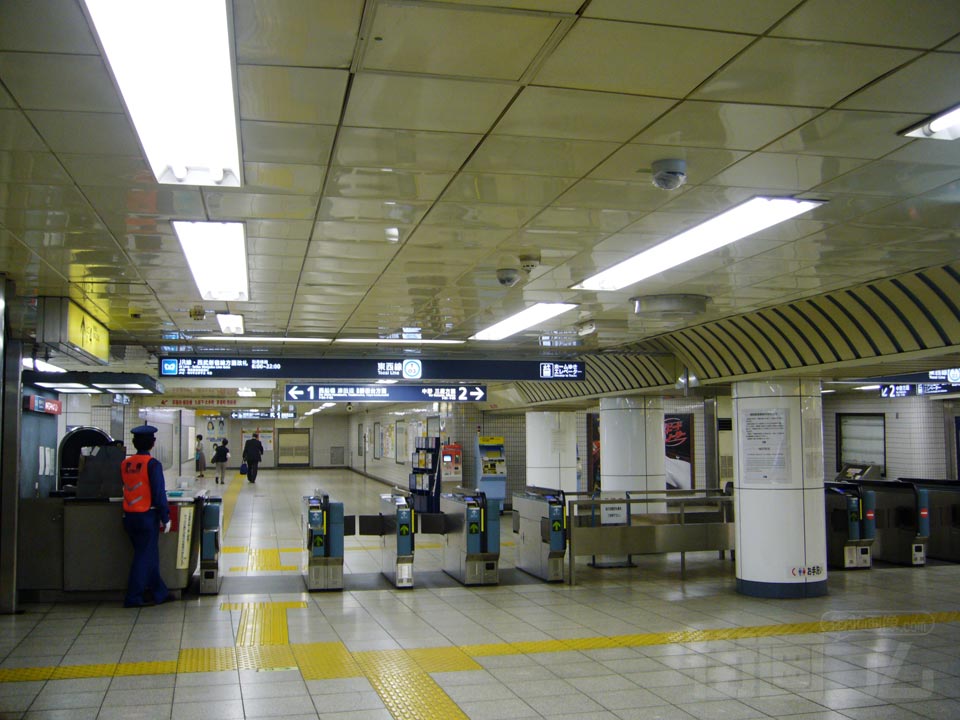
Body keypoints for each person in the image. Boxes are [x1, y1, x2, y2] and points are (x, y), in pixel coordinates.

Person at [121, 424, 172, 607]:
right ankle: (133, 597)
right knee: (144, 557)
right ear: (153, 443)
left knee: (148, 555)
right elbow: (159, 493)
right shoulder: (152, 464)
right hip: (146, 516)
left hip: (128, 516)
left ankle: (160, 592)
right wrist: (165, 517)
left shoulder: (125, 464)